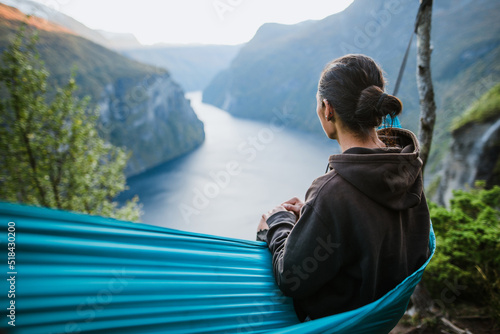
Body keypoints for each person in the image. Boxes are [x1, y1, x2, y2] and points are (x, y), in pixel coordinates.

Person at [256, 54, 431, 322]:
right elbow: (374, 227)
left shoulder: (332, 192)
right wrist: (314, 218)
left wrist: (277, 223)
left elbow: (291, 278)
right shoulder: (407, 166)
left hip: (340, 324)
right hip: (377, 322)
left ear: (328, 109)